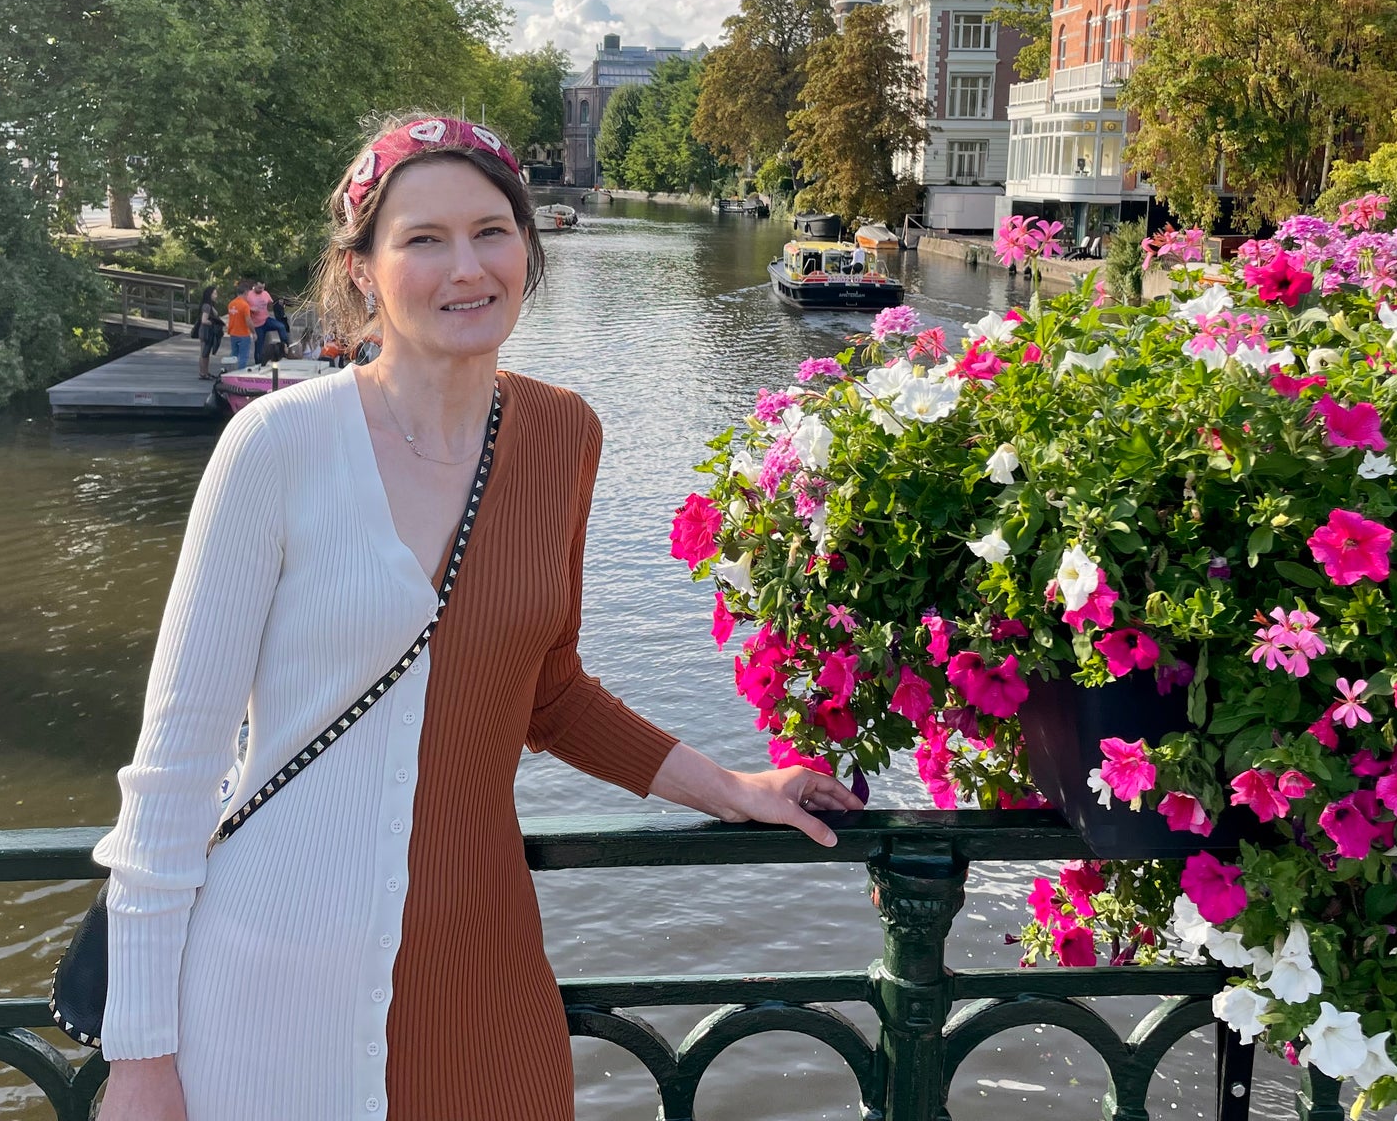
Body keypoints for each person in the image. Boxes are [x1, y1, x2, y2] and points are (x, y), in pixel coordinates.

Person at [94, 115, 859, 1121]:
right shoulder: (274, 447)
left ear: (528, 247)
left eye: (491, 231)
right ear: (362, 271)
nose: (466, 267)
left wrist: (728, 786)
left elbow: (547, 689)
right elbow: (175, 768)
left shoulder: (561, 436)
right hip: (272, 968)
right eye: (421, 239)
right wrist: (143, 1055)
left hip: (475, 956)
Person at [192, 287, 221, 381]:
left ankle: (205, 371)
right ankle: (203, 373)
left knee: (205, 353)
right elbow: (204, 320)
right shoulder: (207, 306)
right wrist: (213, 322)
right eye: (214, 294)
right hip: (205, 331)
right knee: (204, 353)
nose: (216, 296)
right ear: (210, 294)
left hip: (206, 331)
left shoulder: (209, 305)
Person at [223, 283, 253, 370]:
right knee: (243, 356)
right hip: (243, 333)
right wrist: (253, 332)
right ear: (245, 293)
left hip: (233, 332)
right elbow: (248, 320)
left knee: (234, 354)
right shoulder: (245, 305)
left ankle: (228, 370)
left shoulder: (231, 304)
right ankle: (240, 373)